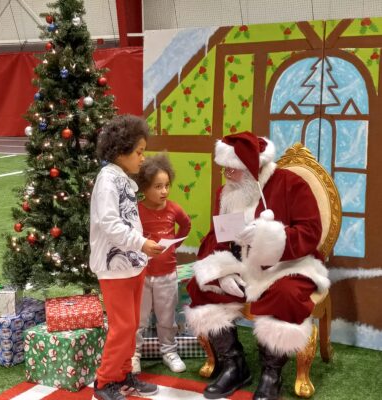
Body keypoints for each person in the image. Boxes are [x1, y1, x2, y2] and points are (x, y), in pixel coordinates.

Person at [185, 131, 330, 400]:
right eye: (225, 167)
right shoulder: (227, 192)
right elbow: (218, 235)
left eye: (234, 168)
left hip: (288, 264)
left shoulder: (291, 184)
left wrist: (270, 236)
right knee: (202, 284)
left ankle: (271, 373)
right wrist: (222, 269)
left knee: (285, 294)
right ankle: (234, 364)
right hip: (243, 266)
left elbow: (311, 232)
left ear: (255, 167)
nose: (227, 174)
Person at [89, 114, 165, 400]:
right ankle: (103, 382)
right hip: (114, 266)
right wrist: (141, 243)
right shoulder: (107, 180)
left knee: (130, 326)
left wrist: (141, 248)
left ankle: (122, 376)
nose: (142, 158)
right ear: (120, 152)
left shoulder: (121, 178)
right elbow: (110, 224)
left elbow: (128, 222)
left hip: (131, 265)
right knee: (123, 327)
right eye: (139, 152)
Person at [132, 153, 192, 374]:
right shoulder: (137, 210)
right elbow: (130, 236)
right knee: (139, 317)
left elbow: (186, 226)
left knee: (167, 316)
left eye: (167, 185)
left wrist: (174, 245)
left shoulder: (174, 209)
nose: (164, 191)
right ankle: (134, 354)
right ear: (144, 188)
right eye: (158, 186)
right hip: (142, 274)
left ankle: (169, 351)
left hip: (167, 273)